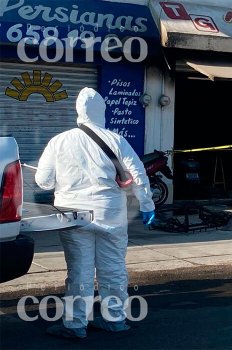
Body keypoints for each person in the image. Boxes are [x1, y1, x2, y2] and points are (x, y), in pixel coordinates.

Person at [35, 87, 155, 339]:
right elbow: (138, 176)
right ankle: (115, 319)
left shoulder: (60, 141)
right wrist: (147, 206)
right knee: (113, 268)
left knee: (79, 270)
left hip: (73, 215)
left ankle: (75, 325)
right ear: (102, 111)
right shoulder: (116, 140)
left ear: (78, 111)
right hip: (111, 214)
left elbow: (44, 181)